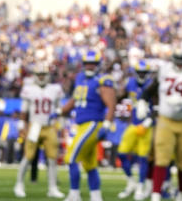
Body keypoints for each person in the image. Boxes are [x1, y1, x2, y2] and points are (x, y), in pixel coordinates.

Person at [142, 44, 182, 201]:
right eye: (178, 59)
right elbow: (150, 90)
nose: (180, 63)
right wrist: (143, 101)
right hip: (166, 119)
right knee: (161, 157)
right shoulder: (164, 70)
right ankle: (156, 194)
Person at [61, 49, 116, 201]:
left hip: (92, 124)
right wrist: (60, 111)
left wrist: (106, 124)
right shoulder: (80, 78)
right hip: (81, 124)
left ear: (98, 65)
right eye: (87, 64)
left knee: (71, 157)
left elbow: (111, 104)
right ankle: (96, 196)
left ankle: (74, 194)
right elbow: (74, 100)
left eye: (93, 64)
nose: (90, 67)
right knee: (90, 164)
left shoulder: (103, 80)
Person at [14, 64, 64, 198]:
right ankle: (19, 184)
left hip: (49, 127)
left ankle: (52, 188)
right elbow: (24, 110)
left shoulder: (55, 89)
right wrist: (22, 125)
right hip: (34, 126)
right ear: (35, 76)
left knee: (52, 158)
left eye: (43, 75)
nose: (41, 77)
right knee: (28, 156)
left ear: (48, 76)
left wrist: (60, 124)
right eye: (39, 75)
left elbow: (60, 109)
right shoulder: (29, 89)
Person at [118, 59, 155, 200]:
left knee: (143, 158)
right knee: (121, 153)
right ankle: (131, 182)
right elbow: (122, 96)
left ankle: (140, 187)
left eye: (143, 72)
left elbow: (157, 104)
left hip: (147, 125)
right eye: (139, 71)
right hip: (133, 124)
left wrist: (150, 120)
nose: (141, 74)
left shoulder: (151, 85)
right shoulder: (130, 83)